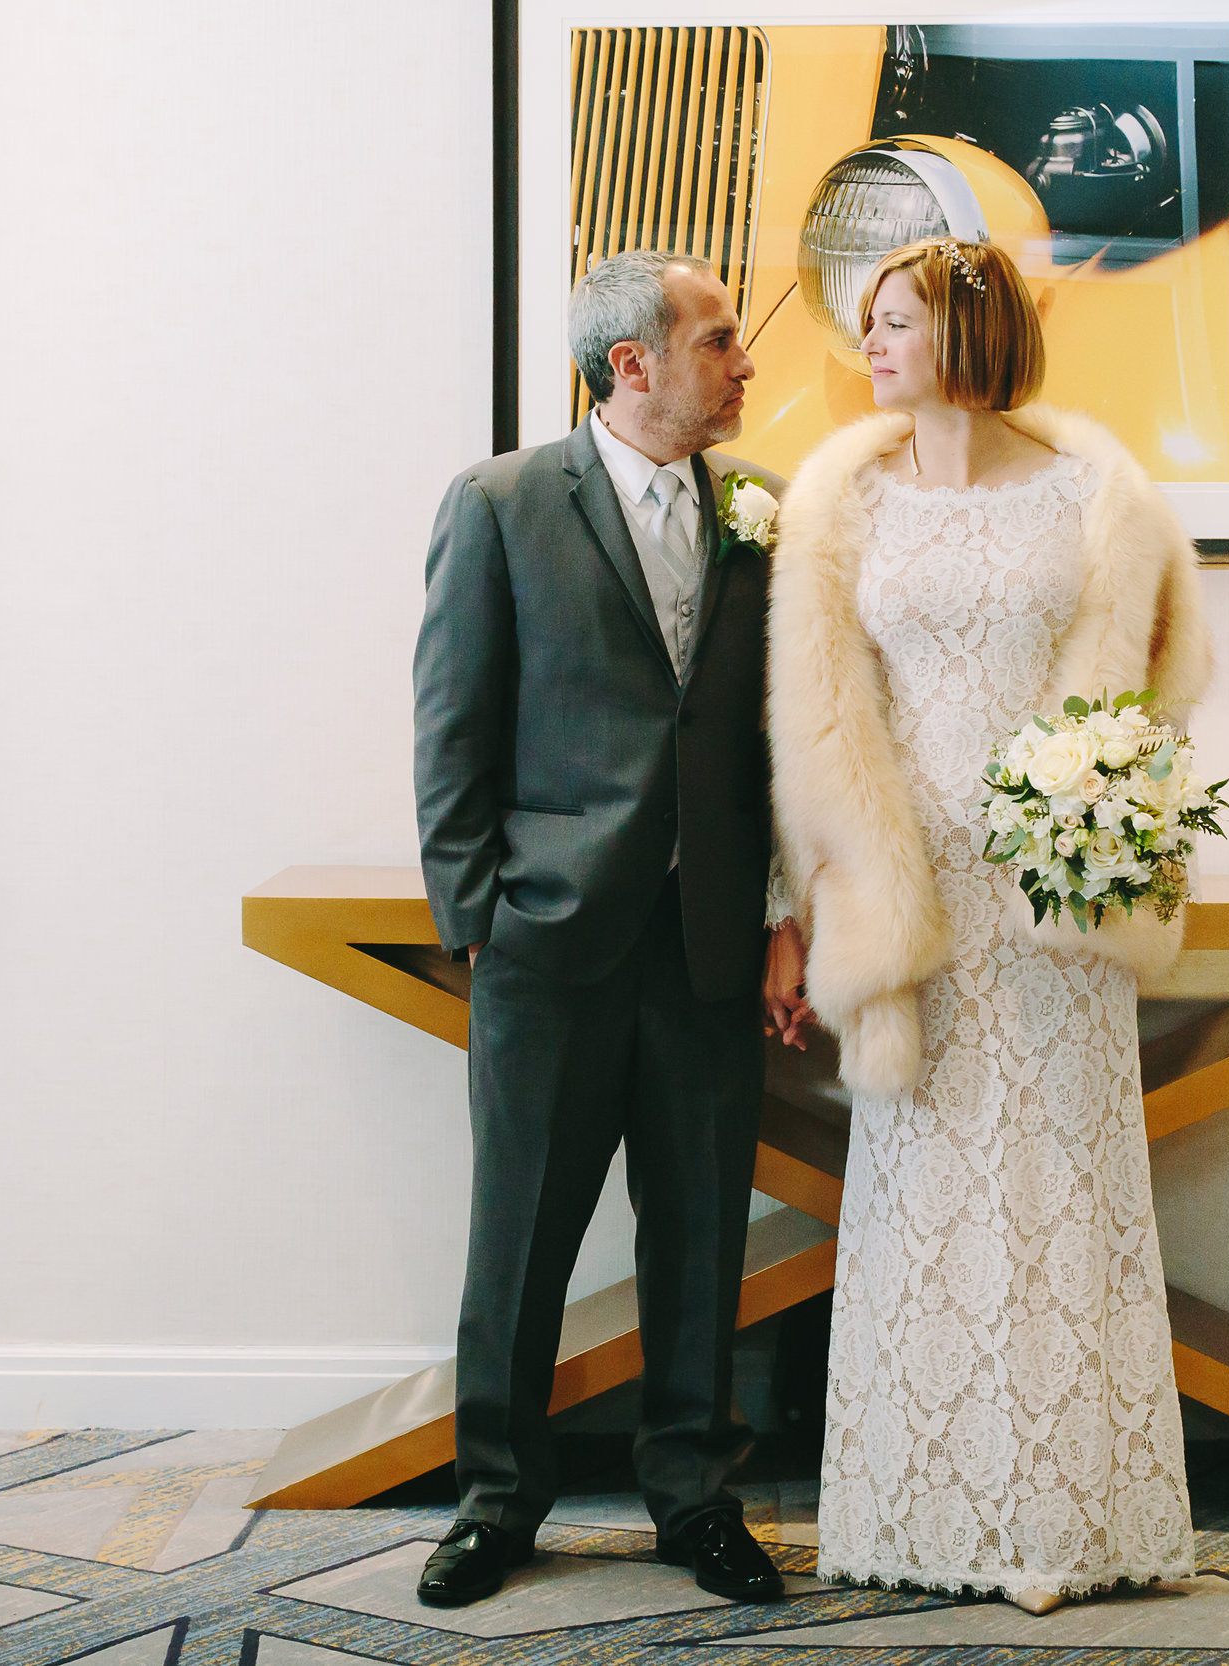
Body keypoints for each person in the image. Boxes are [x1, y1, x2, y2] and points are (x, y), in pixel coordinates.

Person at [762, 238, 1211, 1612]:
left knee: (1064, 1188)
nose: (871, 344)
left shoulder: (1094, 494)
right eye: (870, 322)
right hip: (913, 903)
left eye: (894, 321)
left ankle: (1063, 1519)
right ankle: (925, 1511)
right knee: (926, 1199)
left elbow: (1162, 677)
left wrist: (1105, 811)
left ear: (967, 331)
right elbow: (811, 726)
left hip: (1046, 898)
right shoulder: (842, 500)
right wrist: (803, 901)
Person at [411, 249, 789, 1609]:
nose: (744, 362)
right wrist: (479, 916)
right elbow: (451, 724)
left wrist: (781, 915)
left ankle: (696, 1499)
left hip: (708, 943)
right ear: (633, 363)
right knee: (518, 1238)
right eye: (719, 339)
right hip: (549, 942)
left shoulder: (764, 511)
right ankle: (496, 1502)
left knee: (701, 1235)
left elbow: (779, 735)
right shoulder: (502, 503)